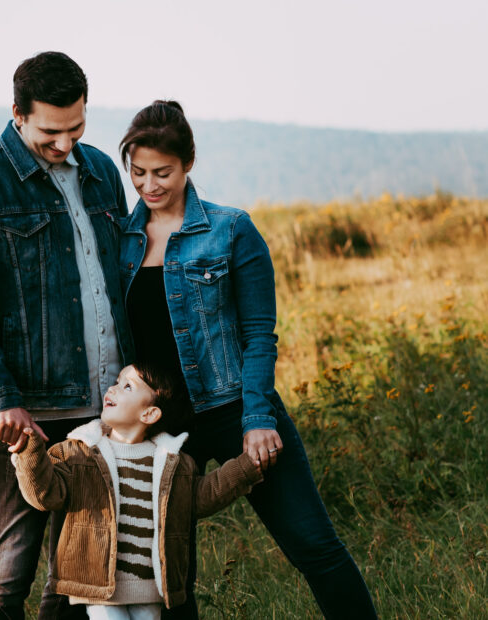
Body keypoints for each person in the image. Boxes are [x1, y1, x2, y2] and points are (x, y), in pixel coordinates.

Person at [117, 100, 378, 619]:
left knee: (313, 546)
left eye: (162, 172)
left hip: (238, 408)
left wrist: (258, 419)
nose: (150, 185)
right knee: (169, 572)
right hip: (164, 425)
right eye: (138, 172)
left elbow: (260, 334)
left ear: (188, 162)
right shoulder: (119, 241)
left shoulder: (231, 229)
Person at [0, 51, 134, 619]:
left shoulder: (102, 171)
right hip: (28, 412)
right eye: (51, 131)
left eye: (76, 126)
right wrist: (1, 400)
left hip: (105, 410)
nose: (66, 143)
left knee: (76, 575)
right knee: (9, 571)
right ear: (18, 115)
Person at [11, 362, 263, 620]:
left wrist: (246, 467)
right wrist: (28, 450)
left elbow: (203, 497)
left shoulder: (171, 461)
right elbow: (45, 495)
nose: (113, 389)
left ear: (150, 414)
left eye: (127, 386)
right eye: (118, 381)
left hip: (150, 589)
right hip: (100, 588)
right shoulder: (80, 452)